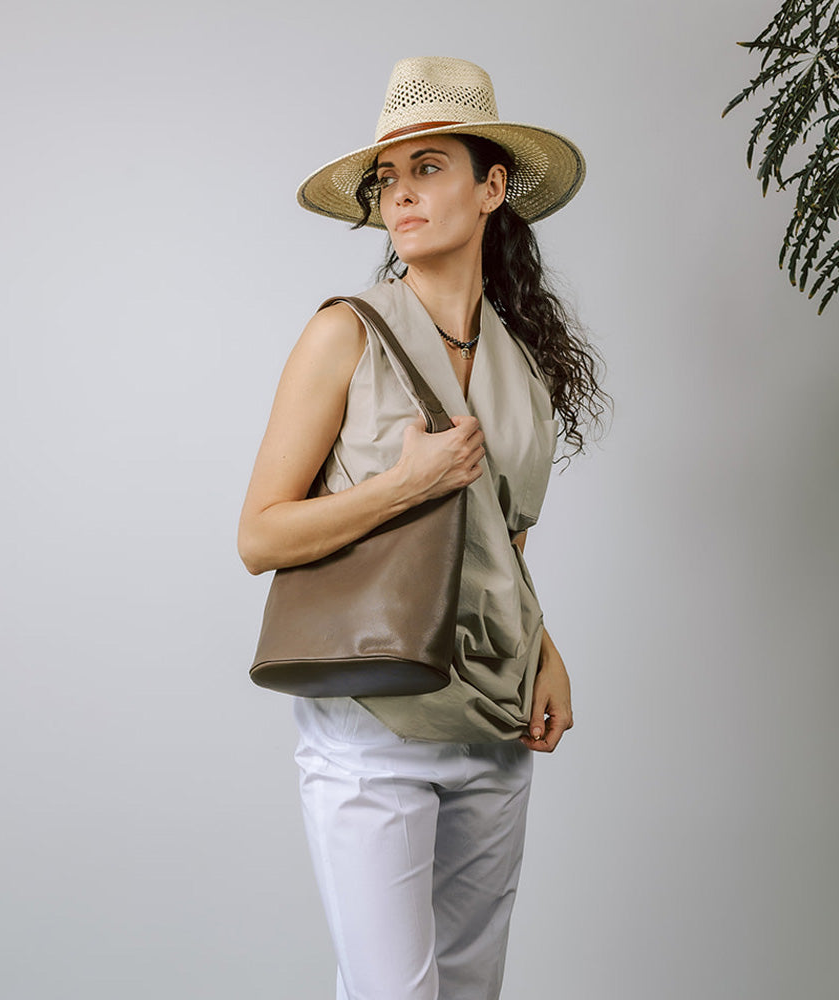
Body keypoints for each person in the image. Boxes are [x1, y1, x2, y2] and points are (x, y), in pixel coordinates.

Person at [238, 56, 607, 1000]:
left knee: (472, 989)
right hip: (372, 717)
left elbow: (499, 539)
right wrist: (402, 487)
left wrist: (546, 648)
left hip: (491, 715)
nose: (401, 194)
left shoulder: (524, 366)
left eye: (428, 168)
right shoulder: (345, 333)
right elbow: (261, 536)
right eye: (388, 179)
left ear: (492, 189)